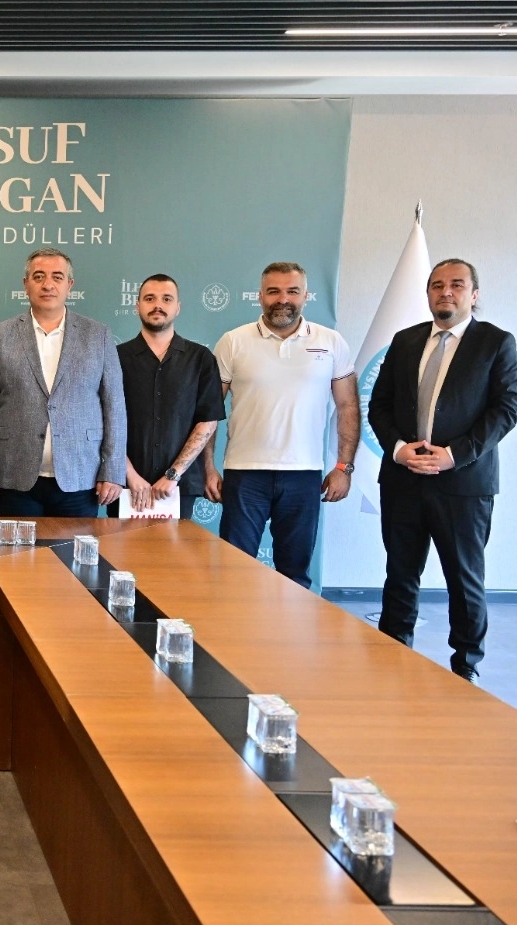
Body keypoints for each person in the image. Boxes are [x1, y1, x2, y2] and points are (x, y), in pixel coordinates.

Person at [368, 258, 517, 682]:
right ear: (429, 293)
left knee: (464, 580)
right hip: (403, 479)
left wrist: (455, 455)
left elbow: (507, 409)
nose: (445, 291)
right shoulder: (405, 340)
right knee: (400, 573)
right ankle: (393, 654)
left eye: (456, 284)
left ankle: (465, 666)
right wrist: (399, 450)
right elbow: (379, 405)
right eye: (436, 285)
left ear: (474, 294)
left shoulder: (496, 343)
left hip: (463, 483)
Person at [206, 261, 358, 589]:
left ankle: (292, 626)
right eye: (273, 291)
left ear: (306, 295)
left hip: (305, 476)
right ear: (260, 296)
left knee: (295, 576)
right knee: (234, 573)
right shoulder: (233, 341)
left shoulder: (331, 342)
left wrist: (344, 467)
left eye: (292, 291)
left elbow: (348, 406)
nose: (283, 299)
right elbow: (209, 412)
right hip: (245, 475)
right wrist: (207, 468)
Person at [0, 247, 125, 517]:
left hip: (80, 476)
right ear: (25, 284)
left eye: (57, 277)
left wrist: (112, 471)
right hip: (13, 477)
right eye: (39, 276)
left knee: (72, 547)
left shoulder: (97, 335)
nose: (48, 285)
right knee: (15, 547)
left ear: (69, 285)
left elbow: (114, 406)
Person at [114, 274, 223, 520]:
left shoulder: (200, 358)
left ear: (178, 307)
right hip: (125, 485)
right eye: (149, 299)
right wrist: (130, 475)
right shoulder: (115, 357)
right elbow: (104, 422)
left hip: (179, 487)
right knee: (121, 548)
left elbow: (207, 421)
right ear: (137, 306)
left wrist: (173, 475)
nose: (158, 305)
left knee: (176, 548)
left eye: (166, 299)